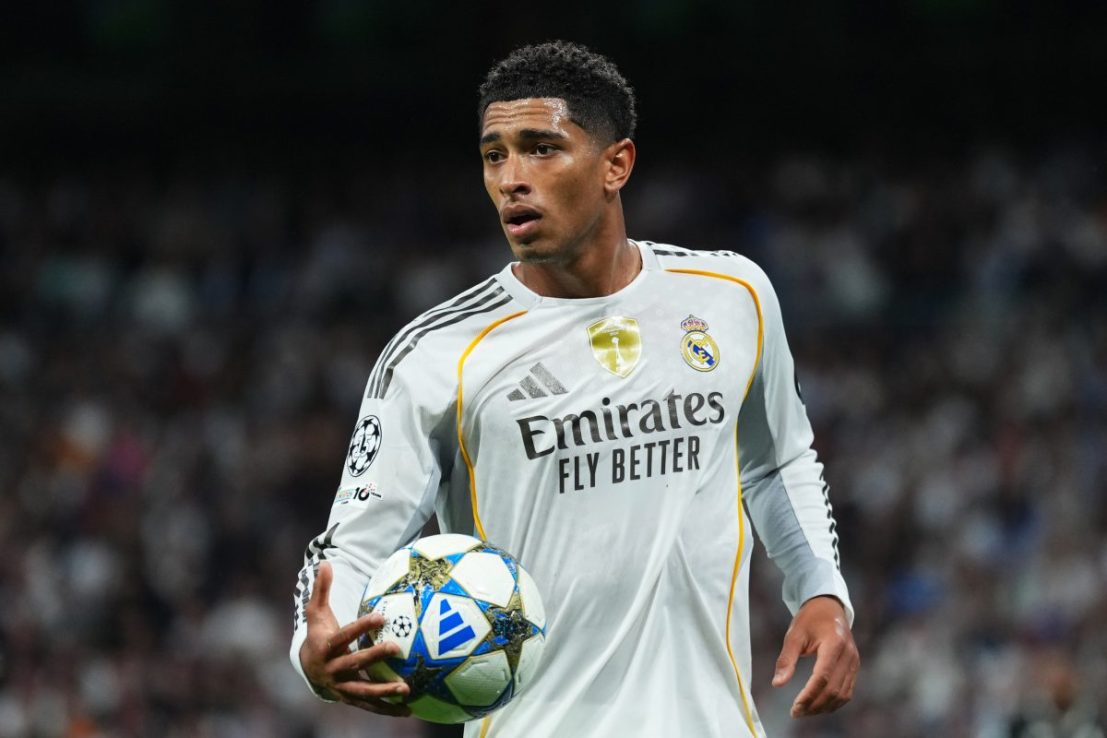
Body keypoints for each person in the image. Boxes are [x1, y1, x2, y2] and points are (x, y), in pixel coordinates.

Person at [290, 40, 859, 738]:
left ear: (615, 165)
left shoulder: (731, 295)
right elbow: (347, 547)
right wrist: (310, 645)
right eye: (493, 155)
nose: (510, 179)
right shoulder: (435, 356)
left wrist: (821, 590)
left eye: (540, 148)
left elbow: (776, 462)